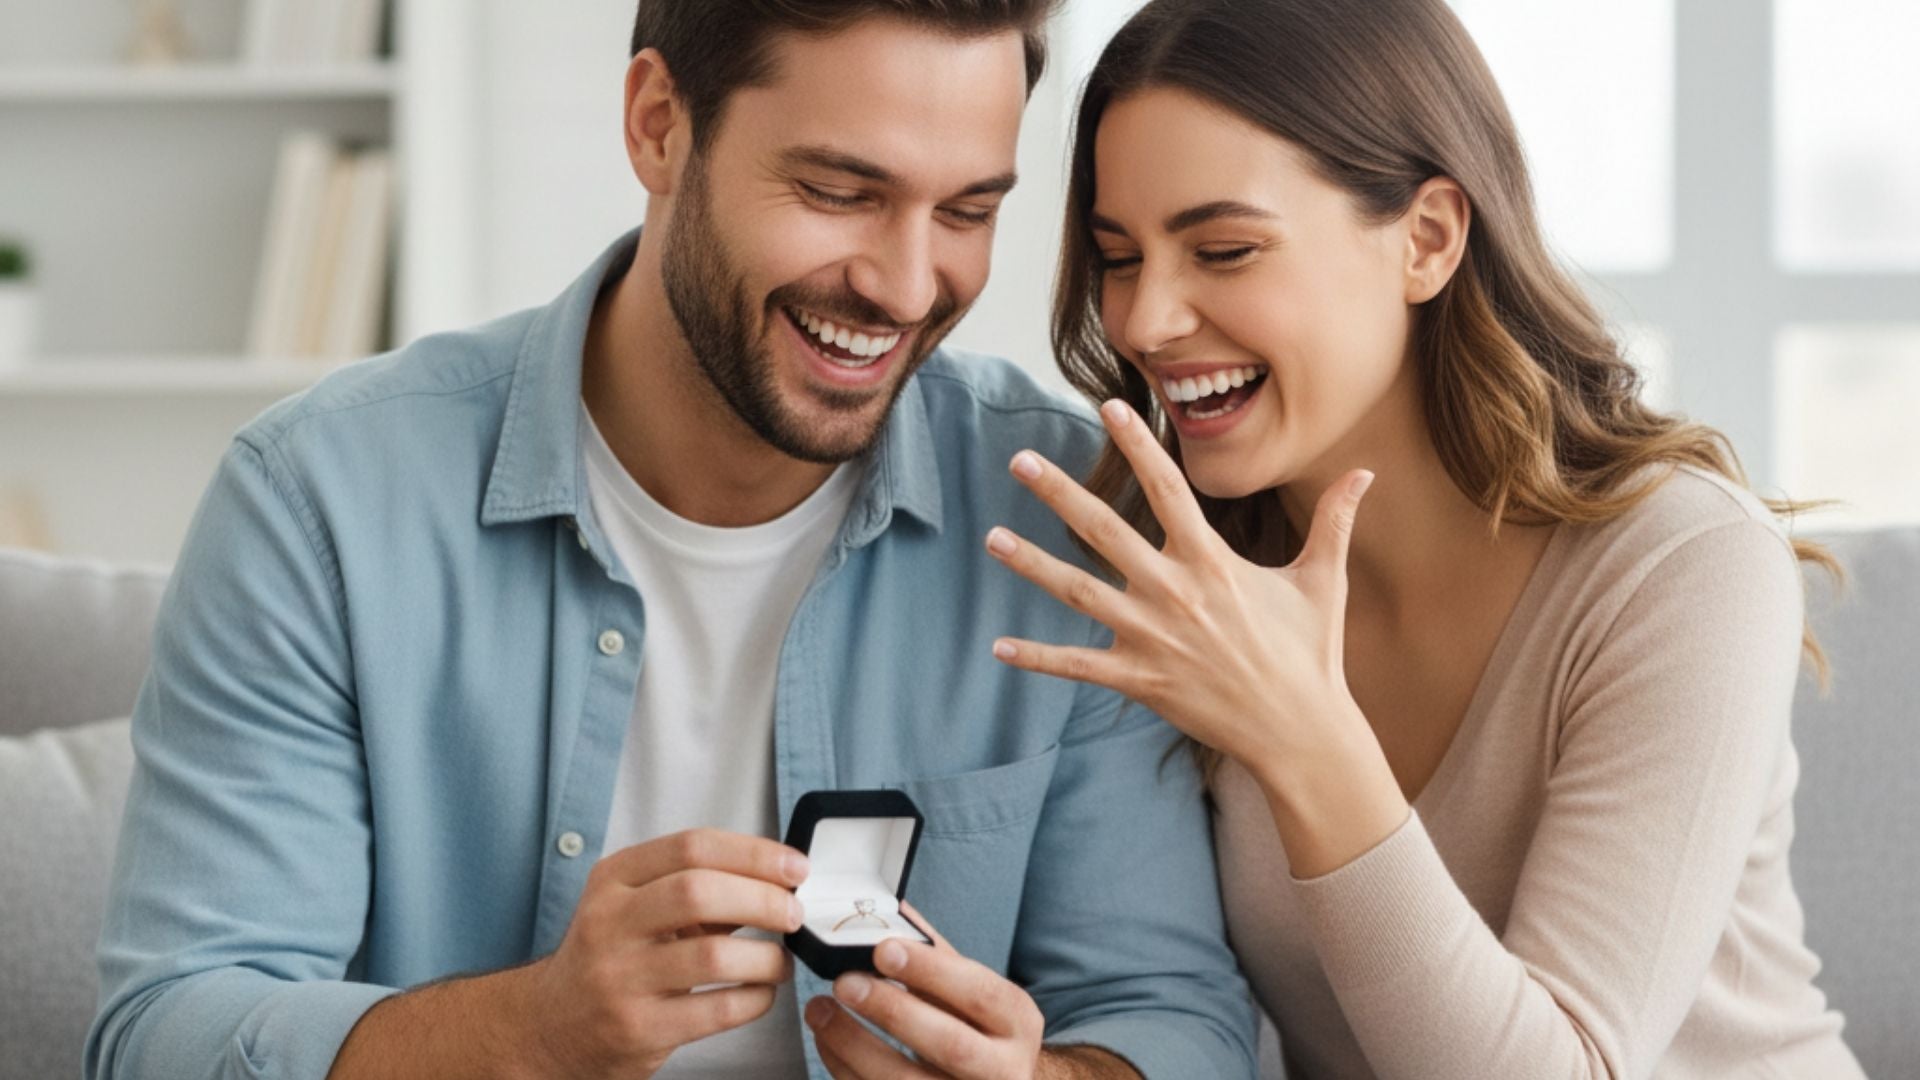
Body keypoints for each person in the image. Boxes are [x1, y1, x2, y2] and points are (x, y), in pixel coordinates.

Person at [84, 3, 1257, 1078]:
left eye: (967, 212)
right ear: (658, 125)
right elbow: (165, 1035)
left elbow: (1174, 1020)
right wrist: (527, 1033)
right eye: (838, 191)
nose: (907, 287)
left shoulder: (1068, 514)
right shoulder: (322, 501)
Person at [984, 0, 1867, 1076]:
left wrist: (1305, 738)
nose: (1144, 320)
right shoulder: (1187, 571)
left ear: (1428, 239)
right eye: (1119, 257)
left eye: (1224, 250)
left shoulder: (1682, 565)